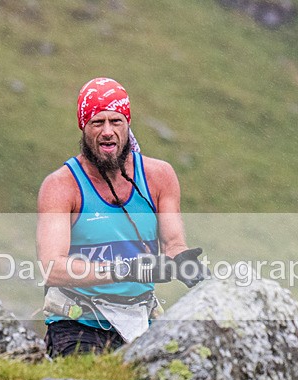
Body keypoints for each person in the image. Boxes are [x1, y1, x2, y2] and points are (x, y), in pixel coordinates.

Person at [37, 77, 206, 357]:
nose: (107, 131)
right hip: (78, 324)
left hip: (142, 320)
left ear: (128, 123)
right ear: (83, 127)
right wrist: (125, 270)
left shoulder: (159, 176)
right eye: (97, 122)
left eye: (115, 121)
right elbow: (52, 267)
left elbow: (173, 243)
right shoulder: (61, 186)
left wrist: (182, 260)